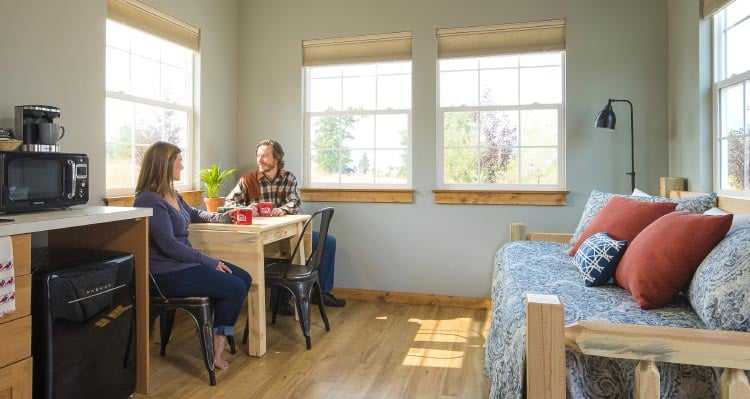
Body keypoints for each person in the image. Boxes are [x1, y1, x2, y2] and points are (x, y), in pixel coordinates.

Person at [134, 141, 251, 370]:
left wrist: (225, 217)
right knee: (234, 287)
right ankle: (215, 347)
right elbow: (168, 245)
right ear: (164, 164)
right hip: (165, 274)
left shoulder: (172, 194)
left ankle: (209, 327)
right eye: (179, 161)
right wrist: (209, 261)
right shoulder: (148, 199)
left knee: (244, 278)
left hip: (183, 266)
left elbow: (195, 214)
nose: (182, 166)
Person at [225, 139, 346, 315]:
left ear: (277, 158)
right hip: (262, 236)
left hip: (289, 233)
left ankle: (321, 293)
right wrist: (246, 209)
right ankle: (280, 301)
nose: (260, 159)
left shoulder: (288, 178)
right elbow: (228, 203)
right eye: (258, 155)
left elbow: (295, 202)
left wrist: (282, 210)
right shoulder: (247, 180)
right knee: (285, 252)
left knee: (327, 242)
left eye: (265, 156)